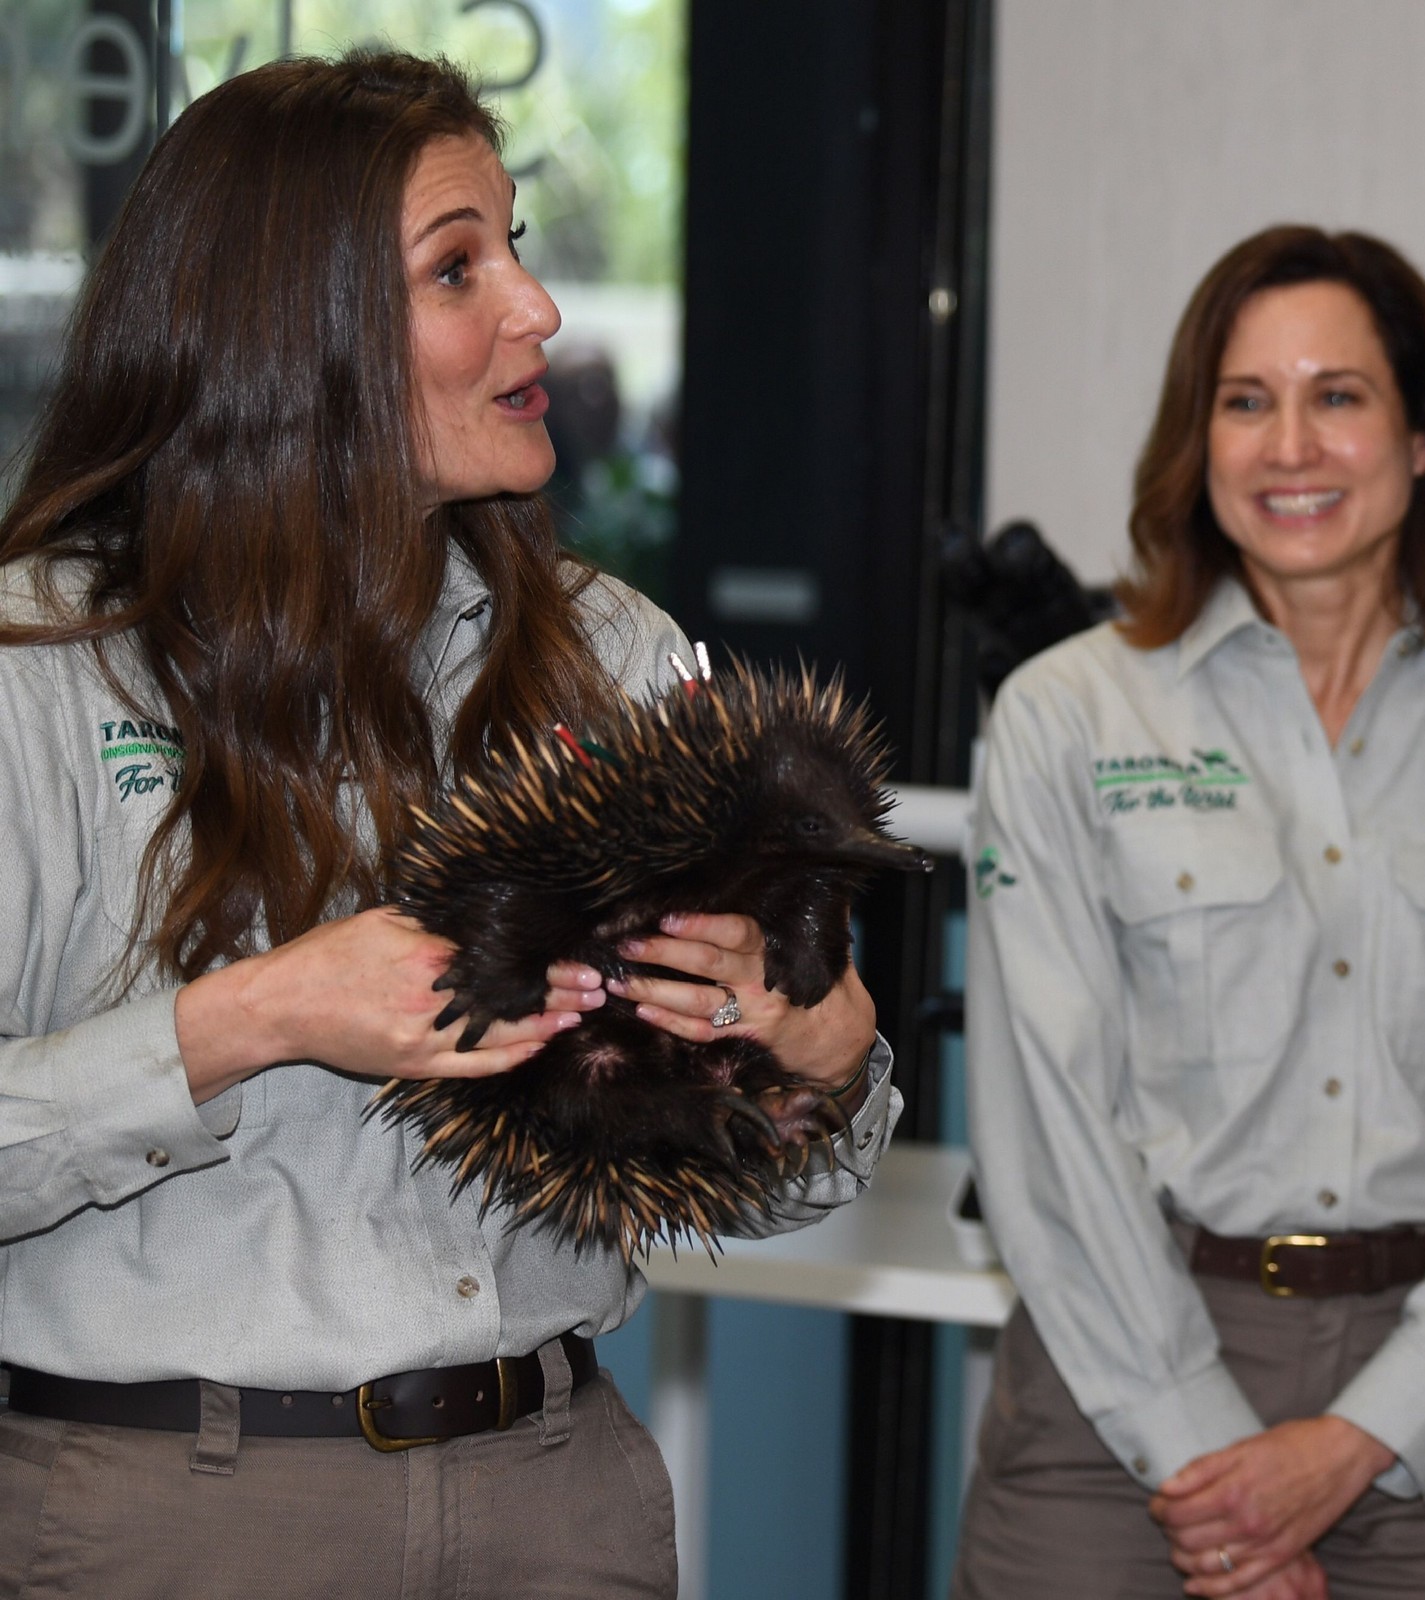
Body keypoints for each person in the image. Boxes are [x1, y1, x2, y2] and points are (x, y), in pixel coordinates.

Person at [0, 53, 895, 1599]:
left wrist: (819, 1054)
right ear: (292, 327)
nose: (537, 309)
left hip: (557, 1499)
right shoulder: (43, 669)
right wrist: (255, 1018)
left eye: (517, 248)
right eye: (457, 267)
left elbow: (776, 1183)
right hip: (177, 1514)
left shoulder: (614, 657)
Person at [957, 226, 1425, 1600]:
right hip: (1121, 1377)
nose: (1290, 448)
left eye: (1338, 396)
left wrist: (1367, 1434)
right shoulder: (1066, 718)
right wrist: (1211, 1464)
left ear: (1424, 437)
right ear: (1195, 443)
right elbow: (1045, 1120)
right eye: (1244, 401)